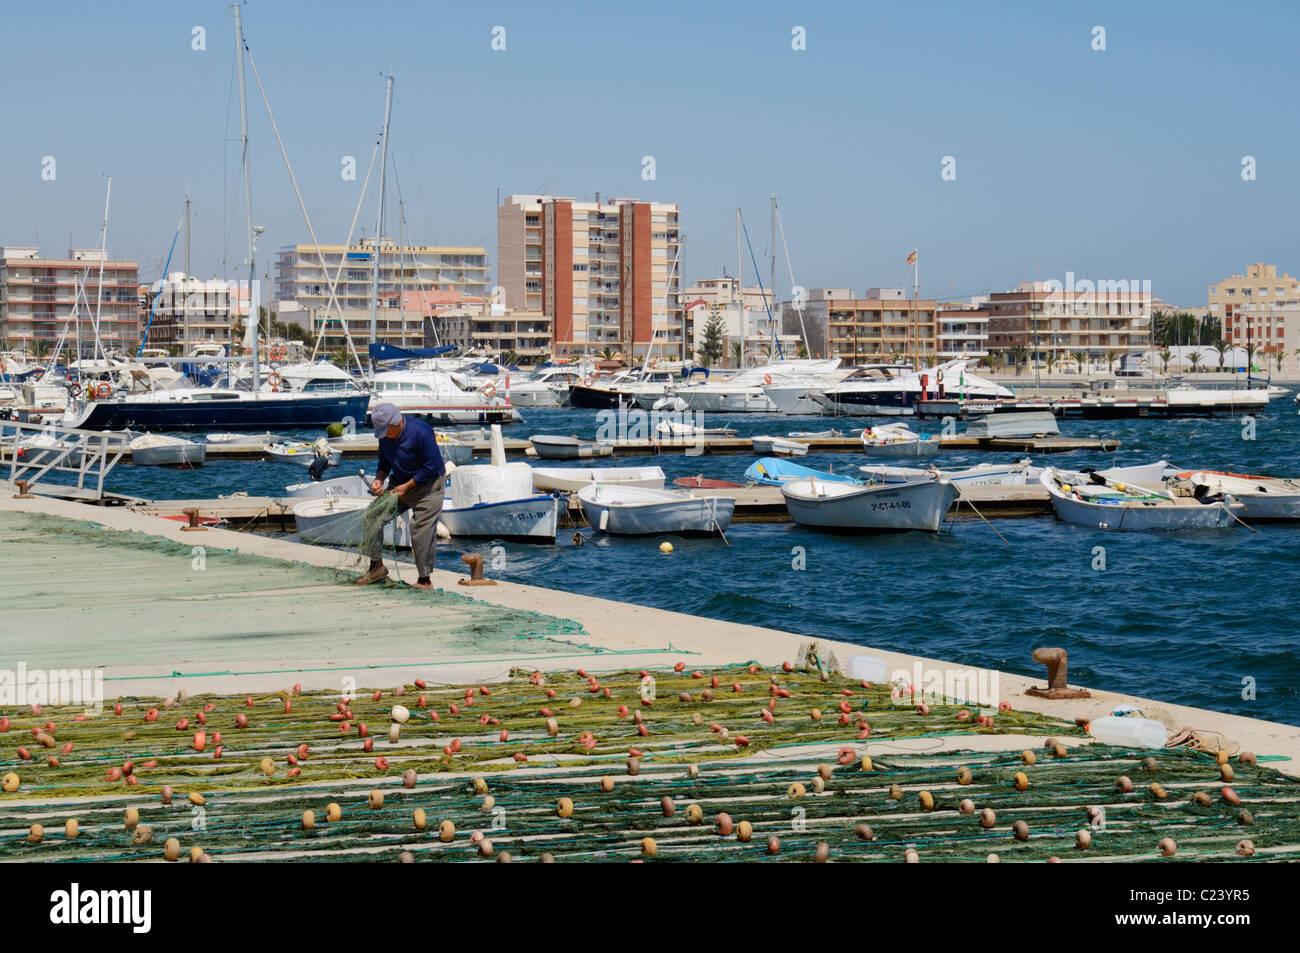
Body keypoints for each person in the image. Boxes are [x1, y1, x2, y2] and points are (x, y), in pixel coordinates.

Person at [355, 402, 446, 590]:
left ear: (395, 423)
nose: (384, 436)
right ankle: (376, 567)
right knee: (372, 515)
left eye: (385, 430)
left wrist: (409, 486)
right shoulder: (386, 436)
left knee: (420, 528)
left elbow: (432, 465)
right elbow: (384, 461)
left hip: (428, 486)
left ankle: (424, 580)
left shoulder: (421, 431)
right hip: (400, 484)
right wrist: (379, 480)